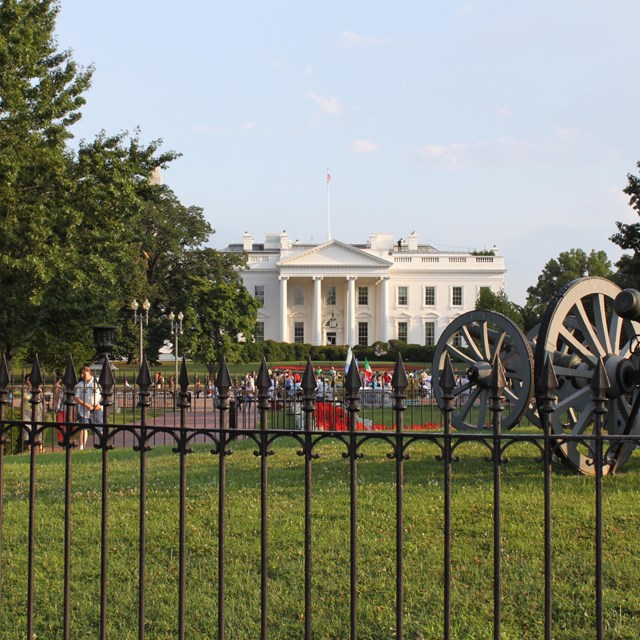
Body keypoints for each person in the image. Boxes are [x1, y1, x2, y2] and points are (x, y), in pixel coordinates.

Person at [75, 366, 103, 450]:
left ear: (89, 371)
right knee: (83, 428)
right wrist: (85, 405)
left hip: (97, 408)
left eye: (84, 373)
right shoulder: (80, 384)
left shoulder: (97, 382)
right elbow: (76, 397)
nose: (82, 375)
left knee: (99, 428)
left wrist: (100, 405)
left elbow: (106, 393)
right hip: (84, 410)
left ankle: (103, 444)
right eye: (81, 374)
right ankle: (81, 447)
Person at [21, 373, 44, 449]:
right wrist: (21, 411)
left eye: (30, 380)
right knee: (27, 429)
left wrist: (45, 410)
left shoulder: (39, 390)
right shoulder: (24, 391)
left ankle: (39, 447)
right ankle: (29, 448)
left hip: (37, 411)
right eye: (27, 380)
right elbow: (22, 402)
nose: (29, 382)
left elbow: (42, 401)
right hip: (26, 412)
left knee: (38, 428)